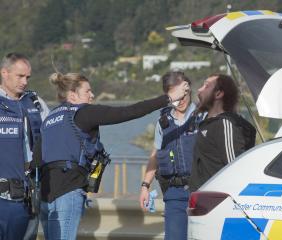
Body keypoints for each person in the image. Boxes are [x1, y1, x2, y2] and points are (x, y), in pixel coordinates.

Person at [36, 71, 189, 240]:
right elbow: (129, 111)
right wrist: (168, 98)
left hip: (45, 195)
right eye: (87, 91)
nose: (92, 95)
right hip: (68, 191)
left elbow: (36, 157)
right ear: (72, 95)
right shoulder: (84, 112)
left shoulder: (49, 118)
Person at [139, 72, 204, 240]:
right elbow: (155, 154)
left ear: (189, 91)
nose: (181, 100)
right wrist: (145, 185)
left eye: (184, 95)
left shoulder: (204, 116)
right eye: (176, 96)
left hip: (202, 190)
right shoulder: (163, 121)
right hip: (174, 193)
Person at [0, 52, 49, 240]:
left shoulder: (36, 103)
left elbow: (55, 134)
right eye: (20, 76)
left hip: (29, 196)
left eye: (27, 77)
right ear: (4, 73)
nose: (25, 82)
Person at [189, 73, 256, 192]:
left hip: (217, 202)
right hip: (201, 201)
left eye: (206, 86)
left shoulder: (225, 124)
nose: (199, 89)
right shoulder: (208, 123)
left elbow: (235, 168)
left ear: (218, 94)